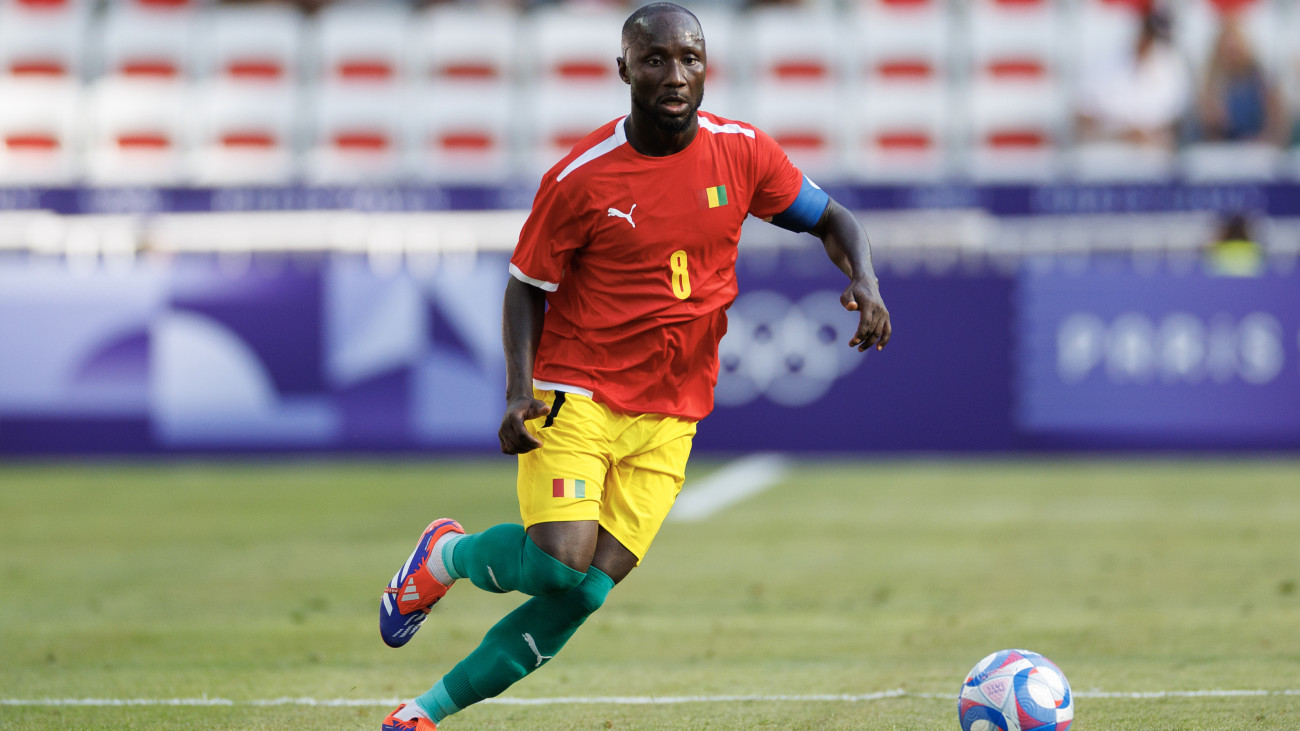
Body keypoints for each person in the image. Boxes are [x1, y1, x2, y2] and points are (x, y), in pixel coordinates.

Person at [378, 4, 891, 728]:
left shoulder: (742, 151)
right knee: (559, 560)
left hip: (673, 410)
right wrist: (518, 390)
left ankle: (422, 713)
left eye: (690, 59)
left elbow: (835, 219)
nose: (675, 75)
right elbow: (527, 285)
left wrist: (864, 280)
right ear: (624, 69)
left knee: (582, 592)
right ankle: (448, 557)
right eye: (655, 60)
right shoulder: (580, 179)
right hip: (577, 388)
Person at [1075, 10, 1191, 151]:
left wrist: (1149, 136)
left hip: (1154, 157)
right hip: (1106, 155)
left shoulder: (1173, 65)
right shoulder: (1103, 60)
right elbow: (1081, 118)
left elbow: (1177, 124)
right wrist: (1119, 134)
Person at [1193, 16, 1290, 146]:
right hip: (1225, 148)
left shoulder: (1261, 77)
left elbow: (1277, 119)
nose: (1232, 55)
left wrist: (1266, 142)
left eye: (1235, 50)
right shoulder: (1212, 82)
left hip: (1259, 146)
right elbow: (1208, 129)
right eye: (1227, 50)